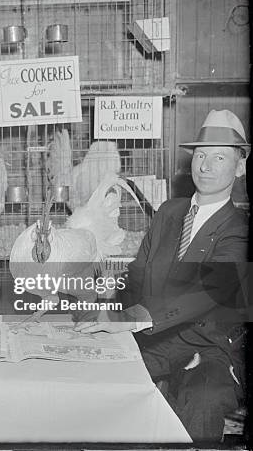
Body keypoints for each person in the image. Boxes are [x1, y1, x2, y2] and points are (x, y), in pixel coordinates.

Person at [74, 109, 249, 441]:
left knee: (202, 400)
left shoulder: (239, 230)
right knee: (98, 381)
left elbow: (205, 293)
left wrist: (132, 318)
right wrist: (104, 298)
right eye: (200, 155)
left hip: (209, 349)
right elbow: (139, 273)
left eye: (219, 157)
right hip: (155, 341)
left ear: (240, 167)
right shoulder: (170, 211)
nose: (206, 165)